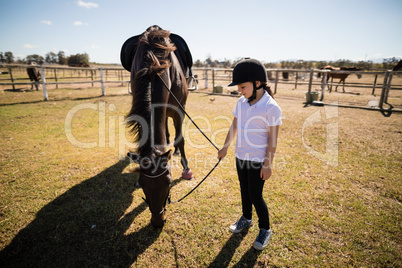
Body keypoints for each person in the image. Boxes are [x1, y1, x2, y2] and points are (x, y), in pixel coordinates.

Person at [217, 58, 282, 250]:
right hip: (241, 156)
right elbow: (234, 125)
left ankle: (265, 228)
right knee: (244, 190)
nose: (240, 90)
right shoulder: (241, 102)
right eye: (239, 86)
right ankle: (246, 218)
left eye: (243, 86)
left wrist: (268, 164)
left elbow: (273, 140)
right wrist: (226, 146)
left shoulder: (271, 107)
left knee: (255, 195)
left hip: (257, 160)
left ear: (258, 83)